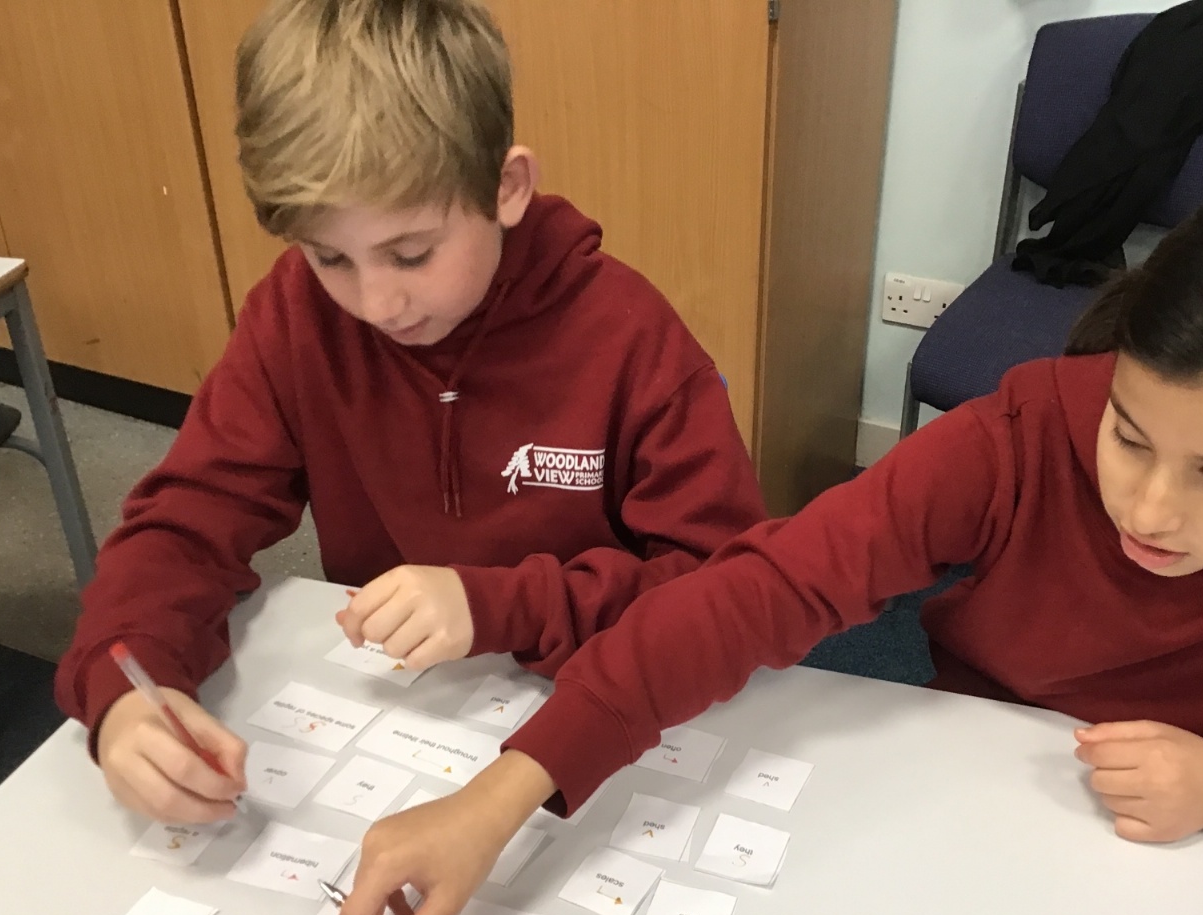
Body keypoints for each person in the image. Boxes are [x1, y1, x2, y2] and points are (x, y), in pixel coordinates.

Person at [337, 180, 1203, 915]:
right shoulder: (1024, 429)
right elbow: (764, 588)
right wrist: (505, 793)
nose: (1150, 509)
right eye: (1129, 435)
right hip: (971, 797)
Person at [55, 0, 766, 823]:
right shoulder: (294, 317)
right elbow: (187, 521)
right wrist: (128, 687)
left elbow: (731, 590)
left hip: (609, 712)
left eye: (412, 253)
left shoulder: (628, 336)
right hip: (404, 715)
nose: (377, 303)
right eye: (331, 257)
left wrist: (502, 605)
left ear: (506, 188)